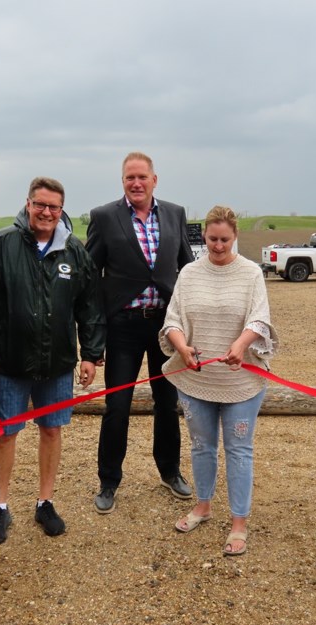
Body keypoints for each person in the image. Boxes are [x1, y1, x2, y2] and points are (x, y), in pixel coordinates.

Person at [0, 176, 105, 543]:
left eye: (54, 207)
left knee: (51, 430)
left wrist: (92, 354)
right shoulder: (0, 246)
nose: (46, 212)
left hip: (58, 363)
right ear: (27, 204)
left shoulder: (75, 252)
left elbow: (89, 306)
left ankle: (45, 501)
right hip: (9, 363)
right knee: (7, 432)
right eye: (40, 204)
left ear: (62, 211)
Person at [159, 206, 278, 556]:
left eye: (225, 239)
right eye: (212, 239)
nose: (219, 246)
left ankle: (239, 521)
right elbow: (173, 319)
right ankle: (203, 505)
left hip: (240, 381)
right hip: (196, 380)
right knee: (201, 445)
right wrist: (182, 348)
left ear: (235, 236)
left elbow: (260, 319)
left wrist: (241, 345)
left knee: (239, 449)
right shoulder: (189, 273)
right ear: (204, 237)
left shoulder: (251, 273)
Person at [86, 151, 195, 514]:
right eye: (129, 178)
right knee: (117, 406)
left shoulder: (175, 214)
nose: (136, 183)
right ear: (123, 182)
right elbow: (90, 279)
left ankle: (170, 471)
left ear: (154, 180)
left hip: (166, 328)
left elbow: (188, 270)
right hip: (123, 328)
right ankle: (109, 480)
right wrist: (93, 339)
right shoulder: (104, 217)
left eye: (142, 177)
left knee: (168, 403)